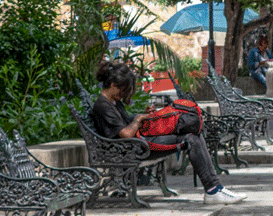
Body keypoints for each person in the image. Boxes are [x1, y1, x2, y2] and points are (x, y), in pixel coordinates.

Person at [89, 60, 247, 204]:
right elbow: (125, 134)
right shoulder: (103, 106)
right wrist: (138, 120)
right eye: (123, 89)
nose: (123, 94)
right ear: (112, 85)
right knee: (190, 138)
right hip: (133, 149)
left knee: (192, 133)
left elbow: (125, 122)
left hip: (136, 144)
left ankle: (216, 188)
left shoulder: (112, 102)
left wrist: (144, 116)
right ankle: (213, 190)